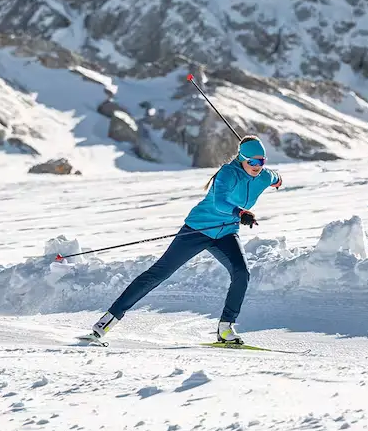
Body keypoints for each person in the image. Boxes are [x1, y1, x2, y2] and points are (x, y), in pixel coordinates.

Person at [92, 134, 283, 345]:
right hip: (198, 229)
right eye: (252, 161)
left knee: (241, 273)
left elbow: (274, 176)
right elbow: (220, 202)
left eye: (261, 161)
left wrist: (278, 180)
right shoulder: (228, 173)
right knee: (158, 274)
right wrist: (240, 213)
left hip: (226, 233)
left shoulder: (264, 176)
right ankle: (107, 321)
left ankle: (226, 328)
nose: (257, 166)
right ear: (241, 158)